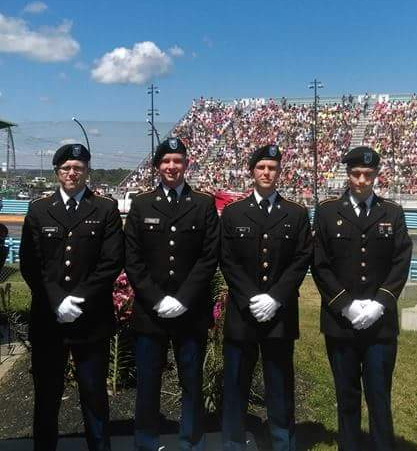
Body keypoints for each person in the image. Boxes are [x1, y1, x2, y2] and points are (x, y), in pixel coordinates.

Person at [20, 143, 124, 451]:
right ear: (57, 172)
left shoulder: (105, 208)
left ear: (87, 171)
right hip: (48, 320)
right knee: (47, 395)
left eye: (78, 168)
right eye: (66, 168)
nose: (72, 173)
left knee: (94, 395)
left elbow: (111, 261)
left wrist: (77, 299)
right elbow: (31, 262)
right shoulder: (38, 209)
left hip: (90, 319)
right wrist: (57, 301)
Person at [311, 146, 412, 451]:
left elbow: (401, 260)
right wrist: (346, 305)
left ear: (376, 175)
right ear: (348, 174)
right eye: (356, 174)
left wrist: (381, 302)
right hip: (341, 322)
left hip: (380, 325)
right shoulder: (328, 211)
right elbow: (320, 263)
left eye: (368, 174)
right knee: (347, 394)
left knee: (380, 395)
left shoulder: (392, 212)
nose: (362, 180)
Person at [124, 137, 219, 451]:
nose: (172, 166)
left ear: (186, 165)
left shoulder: (203, 204)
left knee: (191, 381)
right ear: (157, 166)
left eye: (178, 161)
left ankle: (191, 440)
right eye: (166, 161)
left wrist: (182, 298)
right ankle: (146, 441)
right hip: (151, 312)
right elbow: (133, 258)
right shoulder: (141, 203)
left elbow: (209, 256)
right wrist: (157, 298)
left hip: (190, 311)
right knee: (148, 383)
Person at [220, 144, 312, 450]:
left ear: (279, 172)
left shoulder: (296, 213)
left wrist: (275, 297)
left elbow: (301, 259)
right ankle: (233, 441)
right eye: (261, 167)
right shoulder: (233, 213)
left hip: (279, 315)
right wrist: (250, 298)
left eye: (272, 168)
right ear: (252, 172)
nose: (266, 173)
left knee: (280, 384)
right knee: (235, 384)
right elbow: (227, 259)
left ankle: (282, 441)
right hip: (242, 315)